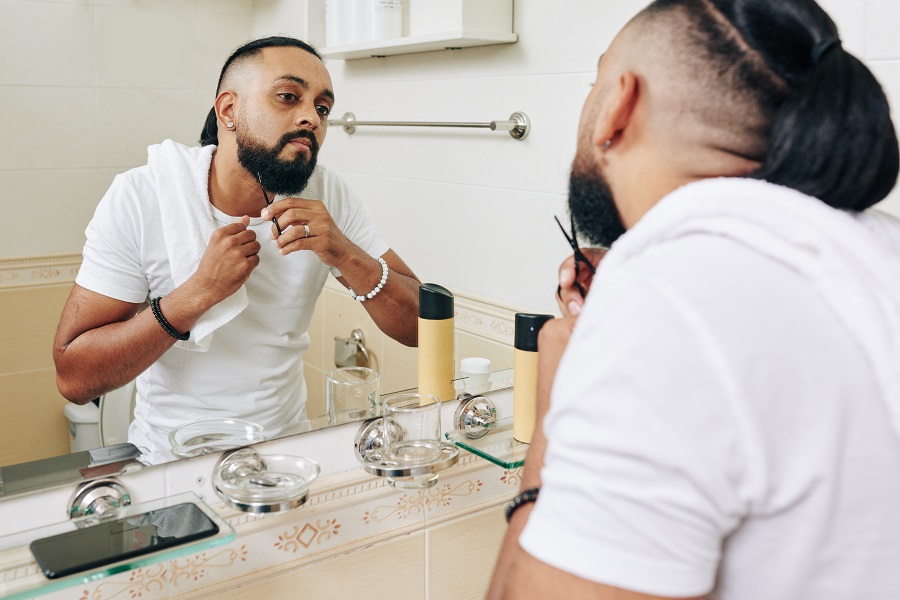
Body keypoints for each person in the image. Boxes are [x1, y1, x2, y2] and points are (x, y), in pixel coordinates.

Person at [489, 0, 900, 598]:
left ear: (617, 105)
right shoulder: (868, 248)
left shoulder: (665, 306)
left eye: (595, 80)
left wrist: (553, 414)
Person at [53, 37, 420, 461]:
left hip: (285, 459)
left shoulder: (328, 194)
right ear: (228, 110)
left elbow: (423, 326)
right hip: (171, 463)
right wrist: (198, 293)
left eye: (322, 108)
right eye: (288, 97)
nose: (311, 119)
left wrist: (343, 252)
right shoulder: (143, 197)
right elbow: (73, 378)